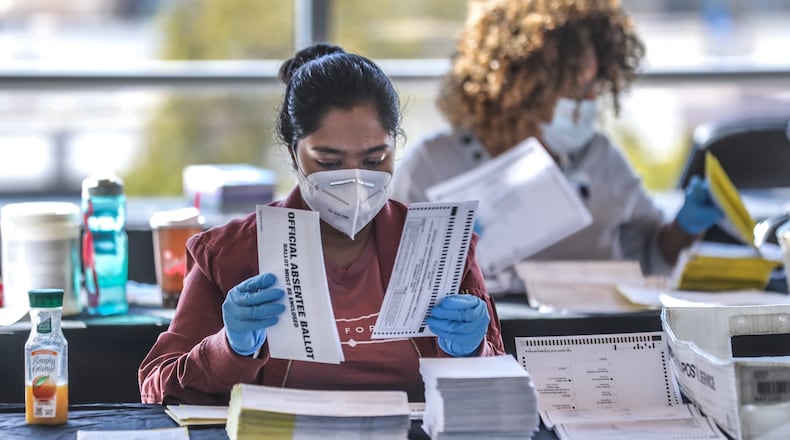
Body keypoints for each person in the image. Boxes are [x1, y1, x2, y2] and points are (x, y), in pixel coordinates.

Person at [138, 43, 505, 405]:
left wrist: (472, 351)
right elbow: (157, 387)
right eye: (328, 163)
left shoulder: (441, 245)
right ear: (292, 153)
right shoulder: (229, 253)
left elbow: (500, 390)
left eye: (375, 159)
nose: (355, 180)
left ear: (395, 148)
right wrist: (231, 347)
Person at [391, 0, 723, 294]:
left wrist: (685, 227)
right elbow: (392, 281)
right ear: (521, 88)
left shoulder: (598, 157)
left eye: (593, 84)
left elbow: (652, 255)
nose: (590, 99)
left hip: (600, 338)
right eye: (575, 88)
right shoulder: (431, 166)